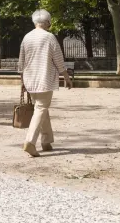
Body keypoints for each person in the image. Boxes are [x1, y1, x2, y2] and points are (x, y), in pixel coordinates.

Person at [17, 9, 72, 157]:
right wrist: (66, 77)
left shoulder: (26, 37)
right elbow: (59, 60)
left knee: (40, 108)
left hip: (30, 80)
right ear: (47, 22)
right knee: (41, 108)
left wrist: (22, 80)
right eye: (50, 22)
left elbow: (21, 62)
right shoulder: (49, 37)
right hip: (44, 79)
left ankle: (46, 141)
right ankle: (30, 141)